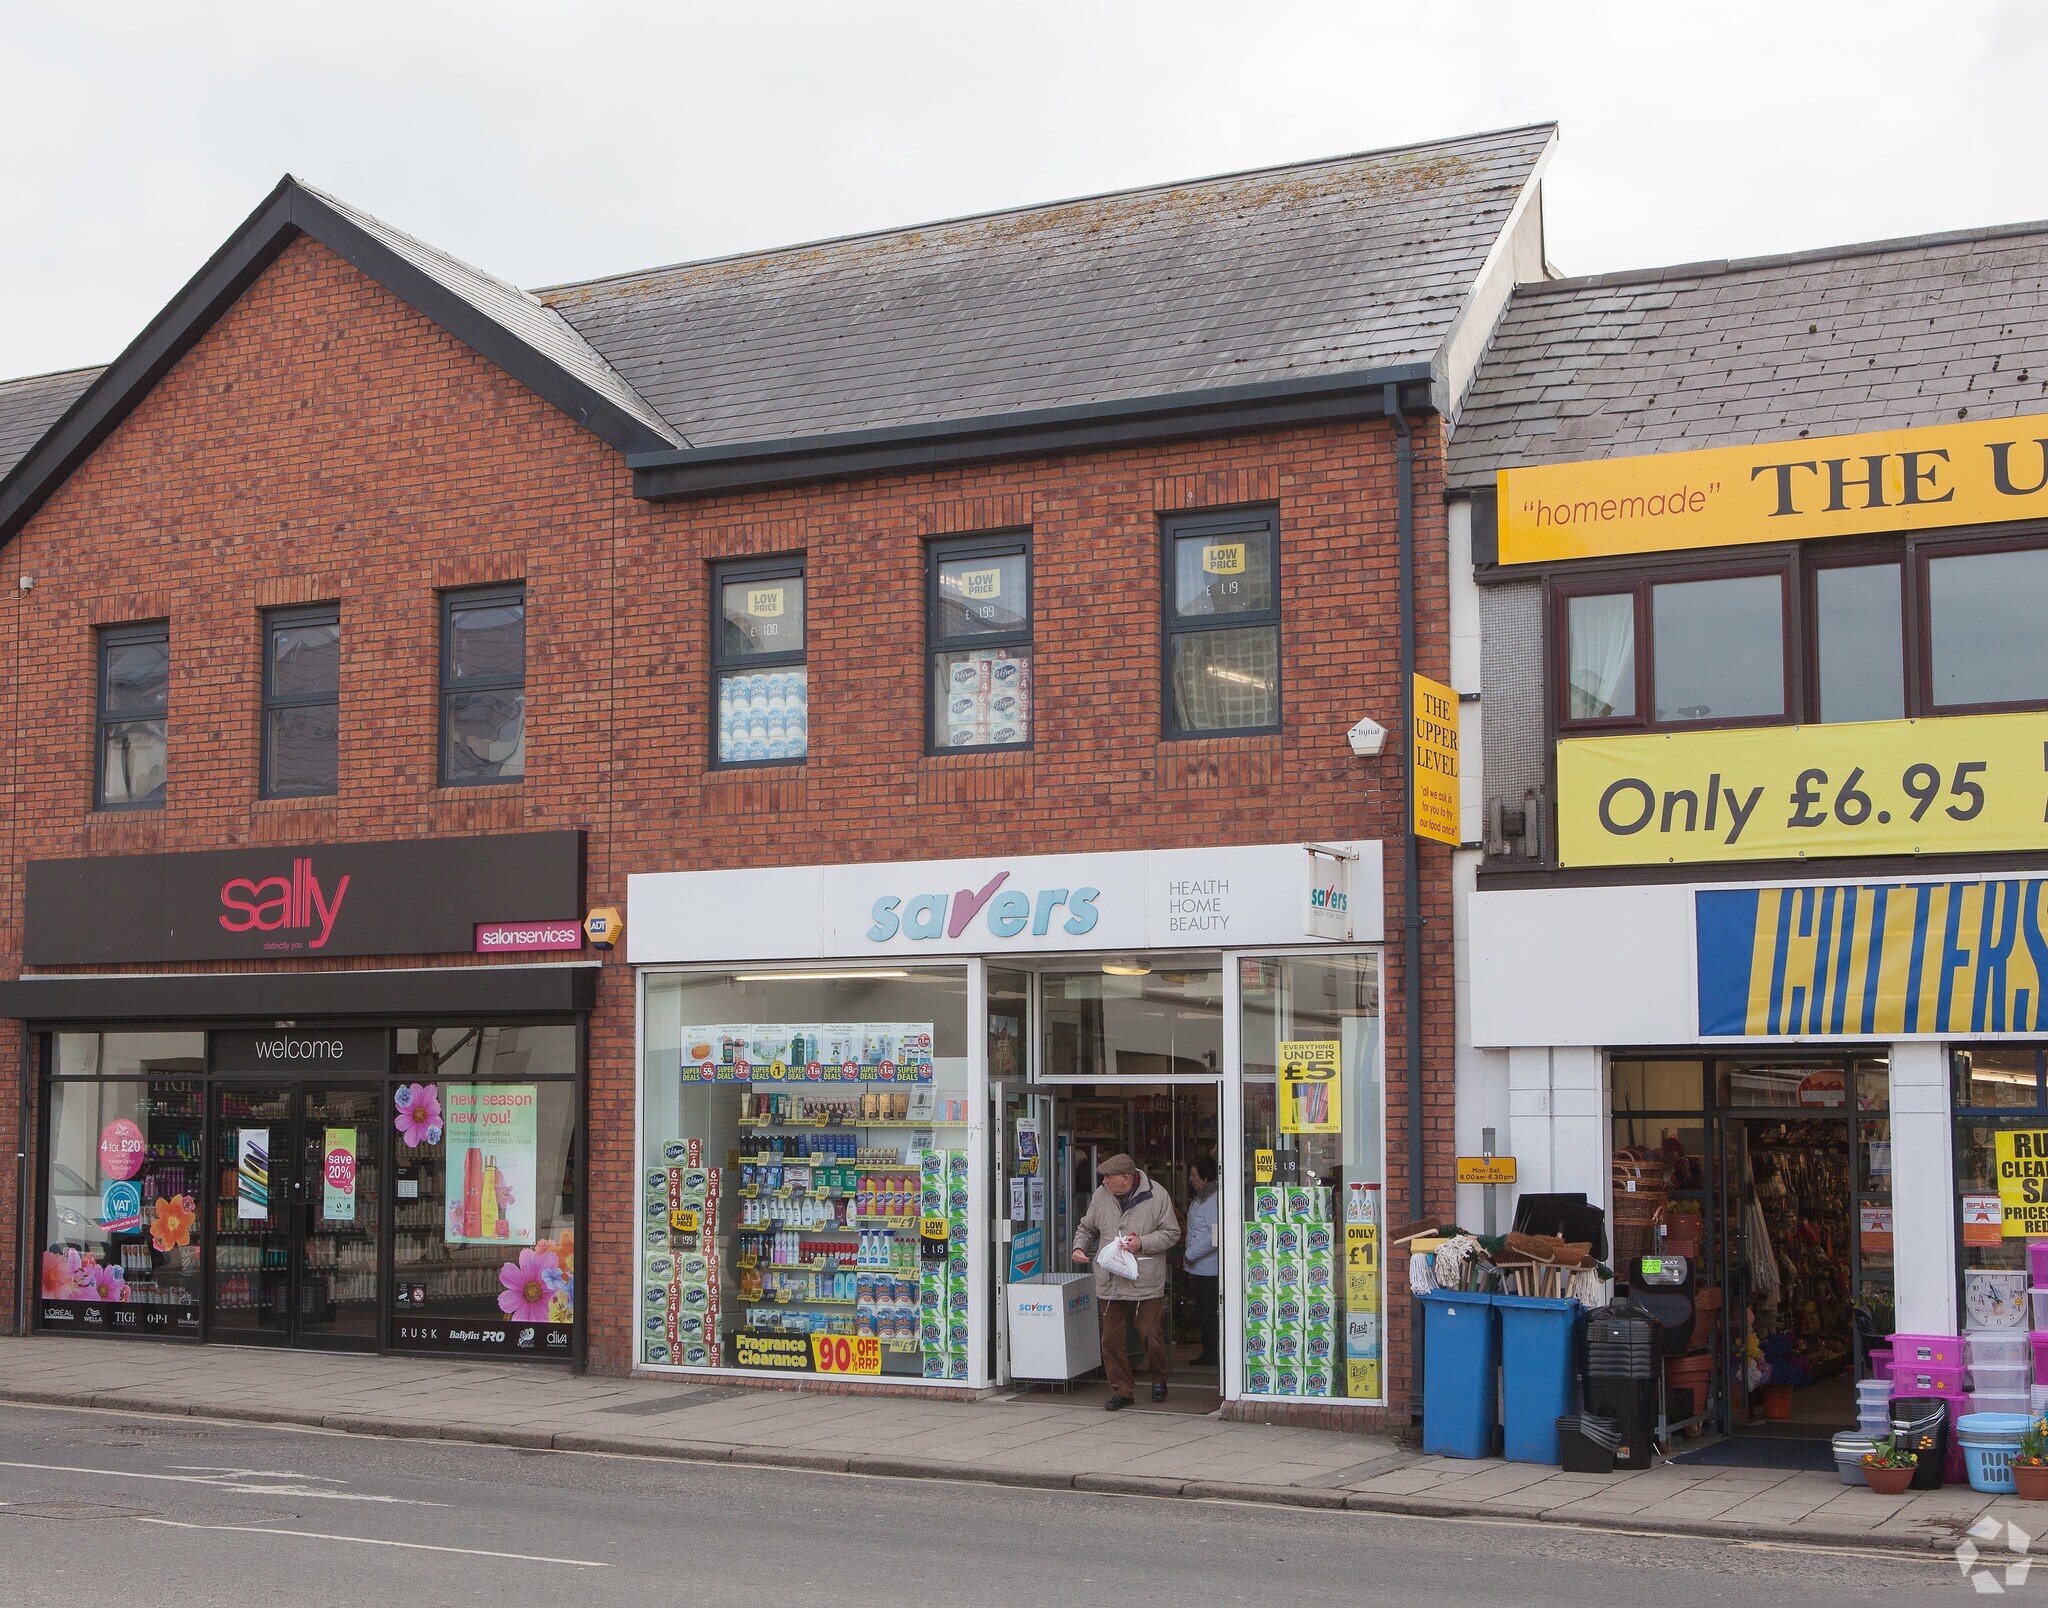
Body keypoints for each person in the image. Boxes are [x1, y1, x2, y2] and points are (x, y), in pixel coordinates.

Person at [1071, 1153, 1181, 1409]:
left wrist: (1143, 1242)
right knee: (1111, 1339)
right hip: (1110, 1277)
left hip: (1145, 1277)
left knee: (1149, 1333)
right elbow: (1087, 1227)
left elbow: (1172, 1232)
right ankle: (1122, 1390)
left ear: (1127, 1178)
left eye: (1109, 1178)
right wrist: (1080, 1247)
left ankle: (1158, 1377)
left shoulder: (1157, 1195)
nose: (1105, 1183)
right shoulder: (1101, 1195)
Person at [1183, 1153, 1220, 1367]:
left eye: (1195, 1176)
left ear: (1206, 1176)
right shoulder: (1203, 1197)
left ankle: (1212, 1352)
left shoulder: (1213, 1199)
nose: (1192, 1180)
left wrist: (1190, 1254)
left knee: (1209, 1311)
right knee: (1204, 1310)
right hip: (1201, 1267)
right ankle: (1209, 1350)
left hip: (1209, 1268)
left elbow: (1214, 1236)